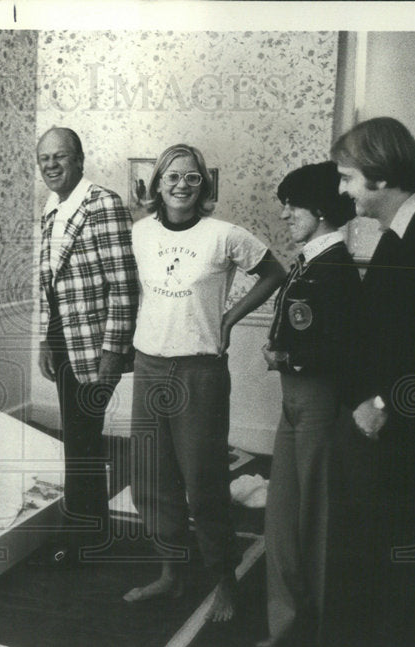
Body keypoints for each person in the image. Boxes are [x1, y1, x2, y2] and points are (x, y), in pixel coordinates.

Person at [124, 143, 284, 621]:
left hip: (199, 372)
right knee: (152, 480)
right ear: (157, 183)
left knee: (204, 483)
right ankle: (171, 574)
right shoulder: (140, 233)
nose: (181, 185)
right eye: (172, 176)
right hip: (149, 365)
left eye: (192, 178)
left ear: (205, 185)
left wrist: (231, 316)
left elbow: (275, 272)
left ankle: (225, 581)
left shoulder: (224, 235)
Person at [328, 117, 415, 647]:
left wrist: (383, 402)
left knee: (401, 553)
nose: (342, 190)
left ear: (381, 177)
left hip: (404, 429)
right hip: (384, 427)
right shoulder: (403, 233)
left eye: (347, 177)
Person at [256, 162, 360, 647]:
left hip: (317, 400)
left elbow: (347, 347)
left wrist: (290, 355)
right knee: (283, 514)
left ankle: (319, 636)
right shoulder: (310, 260)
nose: (285, 214)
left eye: (293, 205)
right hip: (294, 398)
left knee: (314, 518)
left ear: (320, 210)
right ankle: (286, 626)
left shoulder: (336, 264)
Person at [36, 127, 140, 564]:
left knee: (83, 442)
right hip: (63, 342)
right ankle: (86, 532)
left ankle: (82, 539)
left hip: (94, 348)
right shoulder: (52, 207)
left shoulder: (103, 204)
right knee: (77, 441)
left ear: (80, 159)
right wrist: (46, 339)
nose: (51, 166)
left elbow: (124, 286)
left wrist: (113, 354)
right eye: (44, 159)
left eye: (60, 157)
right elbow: (50, 285)